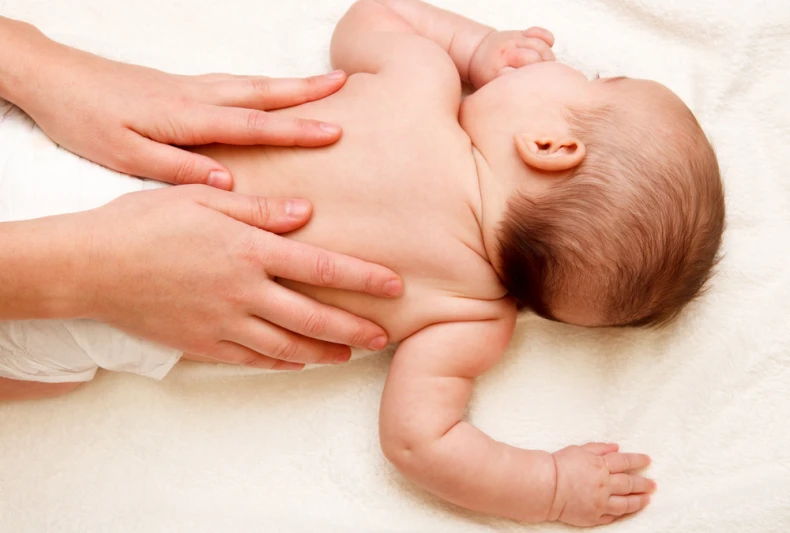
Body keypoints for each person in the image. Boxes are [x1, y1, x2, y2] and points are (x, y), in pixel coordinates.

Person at [1, 0, 727, 526]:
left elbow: (370, 18)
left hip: (79, 159)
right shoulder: (468, 317)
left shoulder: (424, 86)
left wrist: (476, 48)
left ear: (549, 145)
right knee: (38, 384)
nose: (567, 65)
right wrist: (551, 486)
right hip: (90, 325)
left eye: (593, 81)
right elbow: (421, 443)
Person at [0, 14, 405, 399]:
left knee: (49, 379)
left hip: (59, 315)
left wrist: (32, 61)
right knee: (48, 379)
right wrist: (92, 269)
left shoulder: (422, 83)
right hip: (56, 317)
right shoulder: (422, 86)